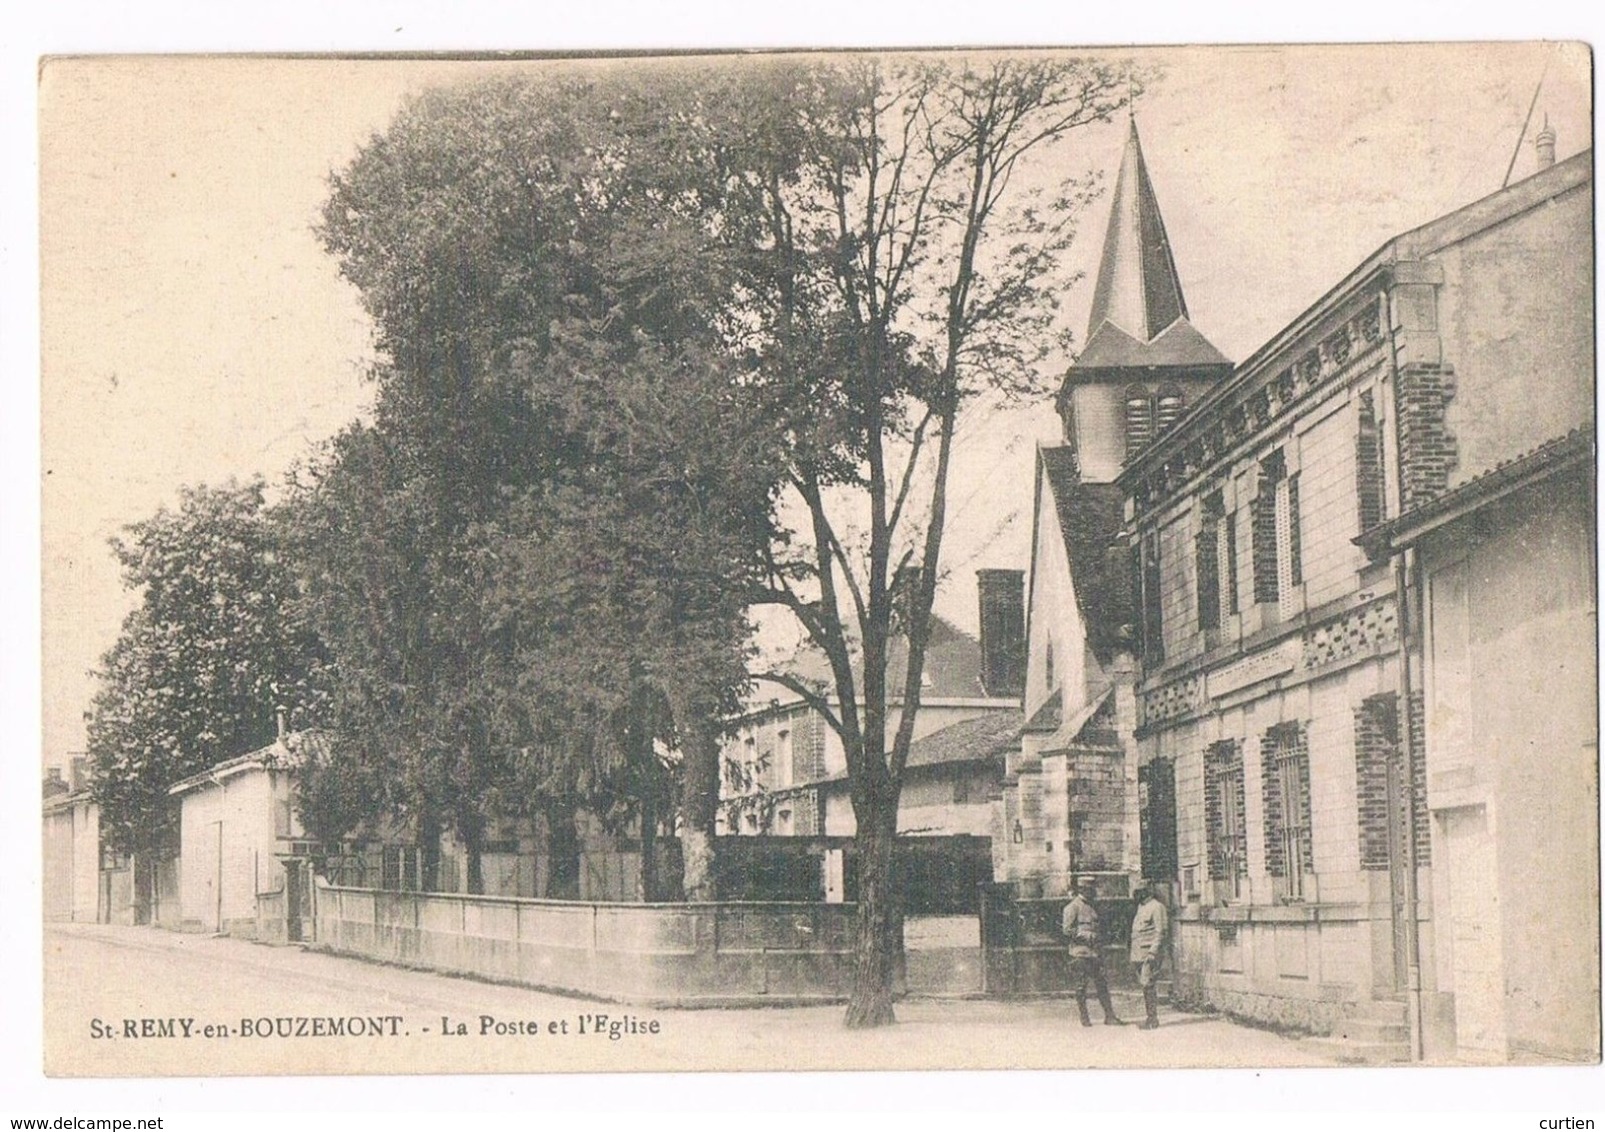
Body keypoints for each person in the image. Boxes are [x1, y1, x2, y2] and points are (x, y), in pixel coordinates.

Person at [1062, 877, 1122, 1026]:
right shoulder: (1072, 907)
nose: (1093, 892)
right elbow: (1067, 930)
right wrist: (1086, 935)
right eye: (1090, 889)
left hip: (1094, 952)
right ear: (1082, 890)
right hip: (1080, 953)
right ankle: (1084, 1017)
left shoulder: (1093, 906)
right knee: (1081, 986)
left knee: (1102, 984)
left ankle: (1110, 1016)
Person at [1128, 883, 1170, 1030]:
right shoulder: (1141, 907)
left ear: (1146, 892)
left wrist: (1153, 951)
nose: (1135, 895)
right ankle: (1150, 1017)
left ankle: (1152, 1019)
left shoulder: (1157, 907)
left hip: (1149, 954)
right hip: (1138, 953)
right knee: (1145, 985)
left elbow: (1161, 932)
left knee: (1148, 984)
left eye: (1138, 892)